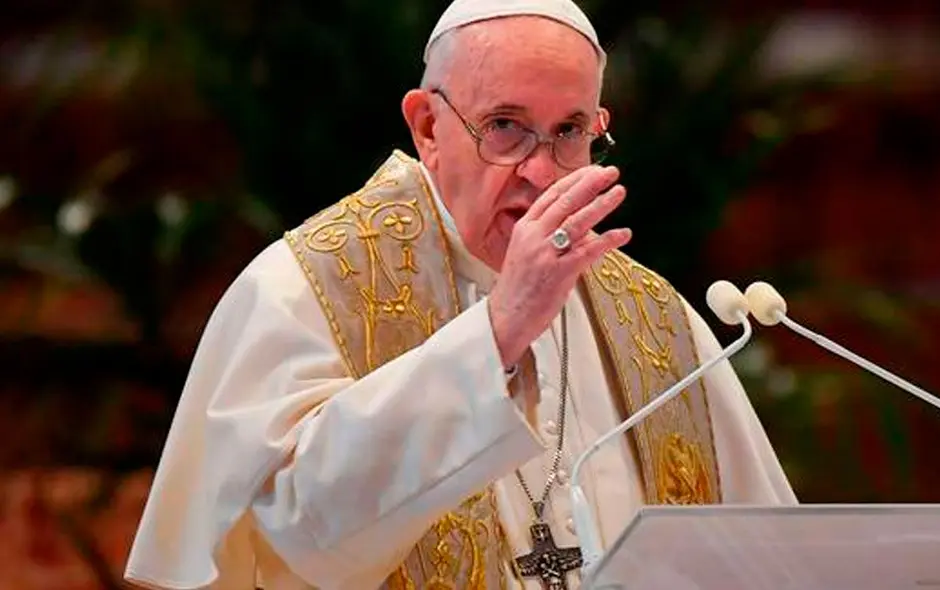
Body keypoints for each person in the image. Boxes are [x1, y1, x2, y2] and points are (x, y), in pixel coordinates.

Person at [125, 0, 797, 588]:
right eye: (504, 126)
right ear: (426, 127)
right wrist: (499, 333)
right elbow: (292, 532)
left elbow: (766, 560)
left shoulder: (653, 317)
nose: (538, 170)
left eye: (569, 132)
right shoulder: (302, 290)